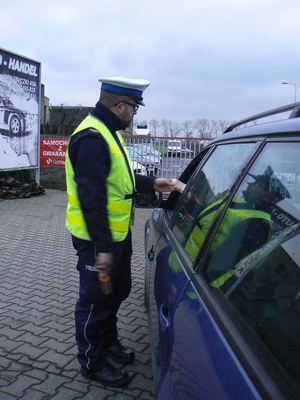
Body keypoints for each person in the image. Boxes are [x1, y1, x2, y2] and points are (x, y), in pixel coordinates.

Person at [65, 77, 175, 388]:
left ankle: (108, 342)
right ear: (120, 105)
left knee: (115, 291)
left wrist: (154, 183)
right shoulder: (91, 138)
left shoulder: (109, 133)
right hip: (96, 240)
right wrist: (102, 250)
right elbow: (92, 198)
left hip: (115, 234)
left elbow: (121, 179)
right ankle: (91, 360)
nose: (135, 115)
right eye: (135, 108)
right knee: (94, 300)